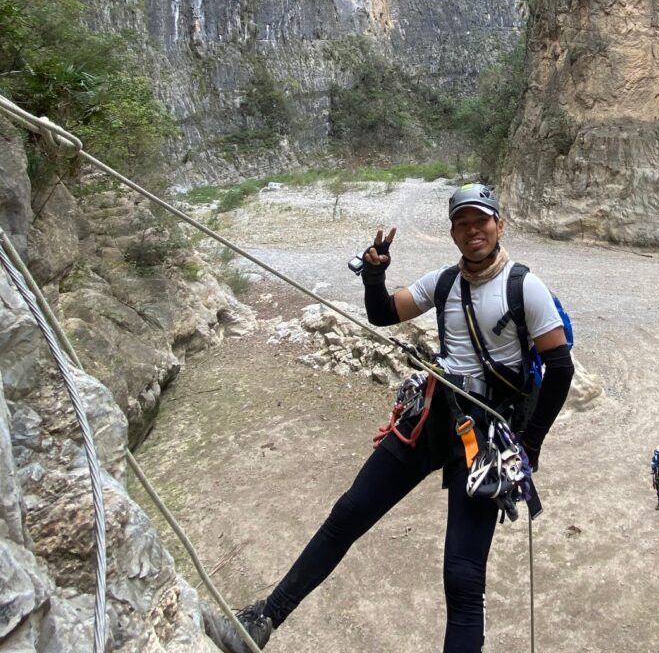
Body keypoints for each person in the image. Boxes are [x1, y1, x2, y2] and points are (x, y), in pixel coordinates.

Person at [204, 183, 574, 653]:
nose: (472, 230)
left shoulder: (526, 287)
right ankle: (264, 619)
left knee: (462, 576)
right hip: (434, 416)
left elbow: (559, 367)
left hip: (485, 440)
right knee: (348, 514)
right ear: (454, 233)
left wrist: (530, 445)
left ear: (499, 225)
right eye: (462, 223)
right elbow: (382, 314)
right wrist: (374, 275)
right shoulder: (442, 284)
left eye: (481, 220)